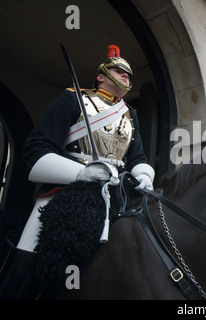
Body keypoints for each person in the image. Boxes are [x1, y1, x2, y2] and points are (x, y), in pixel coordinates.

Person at [0, 45, 155, 299]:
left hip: (114, 195)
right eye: (120, 71)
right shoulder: (72, 98)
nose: (127, 76)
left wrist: (145, 176)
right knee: (29, 250)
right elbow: (36, 149)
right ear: (101, 76)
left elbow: (137, 156)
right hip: (66, 189)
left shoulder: (130, 116)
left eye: (129, 74)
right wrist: (83, 174)